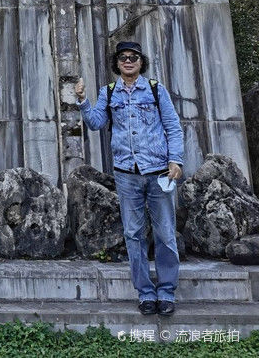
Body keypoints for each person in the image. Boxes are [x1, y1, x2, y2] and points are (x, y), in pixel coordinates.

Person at [74, 40, 184, 317]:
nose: (128, 61)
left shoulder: (157, 90)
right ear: (117, 63)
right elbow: (97, 123)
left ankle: (166, 292)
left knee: (165, 234)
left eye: (133, 56)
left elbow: (173, 127)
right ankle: (146, 293)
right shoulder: (109, 92)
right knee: (133, 234)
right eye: (123, 57)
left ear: (140, 61)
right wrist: (83, 100)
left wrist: (176, 160)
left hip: (158, 171)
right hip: (126, 174)